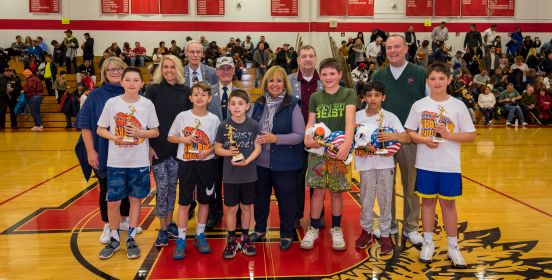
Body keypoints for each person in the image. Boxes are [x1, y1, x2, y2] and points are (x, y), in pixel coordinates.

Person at [404, 61, 476, 268]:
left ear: (449, 80)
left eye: (441, 78)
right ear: (427, 81)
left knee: (448, 205)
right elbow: (410, 131)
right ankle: (428, 243)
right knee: (426, 204)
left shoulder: (458, 105)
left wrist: (448, 135)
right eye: (433, 79)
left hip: (449, 166)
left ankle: (453, 247)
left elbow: (471, 136)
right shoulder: (419, 105)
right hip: (426, 164)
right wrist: (423, 140)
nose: (437, 82)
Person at [74, 57, 140, 245]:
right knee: (107, 188)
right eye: (110, 69)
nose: (114, 72)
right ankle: (108, 224)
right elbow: (85, 125)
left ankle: (125, 220)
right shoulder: (95, 96)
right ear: (104, 72)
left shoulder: (135, 93)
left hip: (130, 150)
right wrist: (90, 151)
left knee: (128, 186)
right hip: (102, 149)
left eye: (118, 68)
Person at [96, 67, 160, 259]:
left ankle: (131, 237)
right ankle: (114, 238)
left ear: (142, 83)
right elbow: (100, 129)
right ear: (122, 82)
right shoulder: (112, 103)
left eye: (136, 80)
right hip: (116, 161)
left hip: (138, 161)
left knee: (134, 200)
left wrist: (140, 133)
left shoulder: (147, 104)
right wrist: (116, 137)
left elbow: (155, 131)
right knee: (113, 201)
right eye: (128, 80)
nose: (132, 83)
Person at [372, 34, 427, 244]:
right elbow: (371, 104)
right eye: (388, 48)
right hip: (385, 139)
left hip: (410, 139)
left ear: (406, 48)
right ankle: (389, 225)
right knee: (386, 186)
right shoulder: (379, 74)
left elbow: (428, 105)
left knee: (411, 185)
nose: (392, 51)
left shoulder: (420, 73)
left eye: (396, 47)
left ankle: (411, 227)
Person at [301, 58, 356, 251]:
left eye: (332, 74)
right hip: (318, 151)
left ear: (340, 75)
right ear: (320, 77)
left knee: (336, 192)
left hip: (339, 150)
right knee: (317, 191)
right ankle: (313, 228)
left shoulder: (348, 93)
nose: (328, 77)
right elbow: (311, 121)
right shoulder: (316, 97)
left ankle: (336, 228)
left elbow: (350, 120)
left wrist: (347, 144)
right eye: (324, 74)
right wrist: (307, 137)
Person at [249, 66, 305, 250]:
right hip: (260, 162)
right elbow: (250, 129)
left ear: (284, 84)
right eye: (271, 80)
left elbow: (299, 135)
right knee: (260, 198)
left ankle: (287, 233)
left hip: (285, 163)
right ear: (266, 83)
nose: (274, 84)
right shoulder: (258, 103)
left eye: (279, 81)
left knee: (286, 200)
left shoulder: (293, 104)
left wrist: (276, 139)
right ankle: (259, 229)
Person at [354, 81, 411, 255]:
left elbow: (407, 138)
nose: (373, 99)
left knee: (386, 200)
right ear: (363, 97)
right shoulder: (356, 116)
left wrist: (393, 135)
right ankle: (367, 231)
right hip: (365, 166)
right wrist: (366, 148)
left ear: (383, 97)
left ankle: (385, 234)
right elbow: (352, 141)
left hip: (386, 165)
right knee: (366, 199)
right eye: (369, 95)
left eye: (377, 95)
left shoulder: (390, 117)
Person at [168, 82, 220, 259]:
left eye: (203, 94)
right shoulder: (182, 116)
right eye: (196, 94)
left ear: (209, 98)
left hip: (206, 164)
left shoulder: (214, 119)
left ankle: (199, 235)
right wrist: (184, 139)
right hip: (186, 163)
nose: (199, 97)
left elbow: (217, 144)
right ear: (190, 98)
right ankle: (181, 240)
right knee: (184, 203)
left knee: (204, 201)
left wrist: (208, 151)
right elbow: (170, 137)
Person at [145, 55, 192, 247]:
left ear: (178, 69)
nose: (169, 70)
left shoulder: (186, 91)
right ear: (161, 69)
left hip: (178, 149)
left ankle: (170, 222)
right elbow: (144, 119)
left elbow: (188, 121)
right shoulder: (153, 90)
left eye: (173, 67)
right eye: (165, 67)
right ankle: (162, 229)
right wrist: (148, 146)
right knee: (162, 189)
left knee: (172, 189)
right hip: (158, 149)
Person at [214, 89, 261, 259]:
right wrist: (228, 152)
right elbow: (218, 148)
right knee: (232, 208)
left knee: (247, 207)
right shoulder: (223, 125)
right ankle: (232, 239)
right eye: (233, 103)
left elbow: (258, 148)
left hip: (249, 174)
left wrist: (247, 161)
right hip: (230, 176)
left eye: (240, 104)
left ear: (247, 106)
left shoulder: (254, 125)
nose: (237, 107)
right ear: (229, 106)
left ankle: (246, 238)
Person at [288, 45, 323, 226]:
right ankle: (296, 215)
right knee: (296, 179)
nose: (307, 59)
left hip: (320, 140)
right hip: (296, 138)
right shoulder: (288, 81)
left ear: (315, 59)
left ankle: (318, 215)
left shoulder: (325, 81)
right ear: (298, 60)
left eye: (311, 56)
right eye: (304, 56)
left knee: (319, 177)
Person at [206, 56, 241, 228]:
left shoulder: (242, 94)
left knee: (236, 181)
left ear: (234, 70)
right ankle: (215, 213)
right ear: (217, 71)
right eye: (222, 68)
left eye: (229, 68)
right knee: (214, 181)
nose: (225, 71)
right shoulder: (208, 93)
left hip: (236, 148)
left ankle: (239, 213)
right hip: (213, 147)